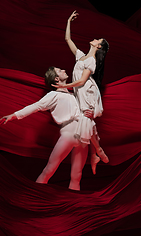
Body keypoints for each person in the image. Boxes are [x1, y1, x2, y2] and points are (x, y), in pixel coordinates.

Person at [0, 67, 93, 191]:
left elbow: (85, 112)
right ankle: (35, 196)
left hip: (83, 135)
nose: (63, 69)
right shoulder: (54, 95)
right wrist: (14, 115)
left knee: (77, 175)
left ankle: (73, 206)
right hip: (69, 132)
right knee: (50, 169)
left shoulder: (74, 95)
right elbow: (36, 106)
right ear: (57, 79)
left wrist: (89, 114)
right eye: (59, 70)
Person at [53, 10, 110, 174]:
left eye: (98, 39)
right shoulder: (81, 56)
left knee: (85, 123)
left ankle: (97, 152)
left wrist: (63, 86)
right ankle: (96, 153)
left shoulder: (91, 61)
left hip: (86, 94)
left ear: (98, 46)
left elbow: (81, 81)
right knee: (86, 124)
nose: (95, 38)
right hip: (81, 94)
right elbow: (67, 39)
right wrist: (68, 21)